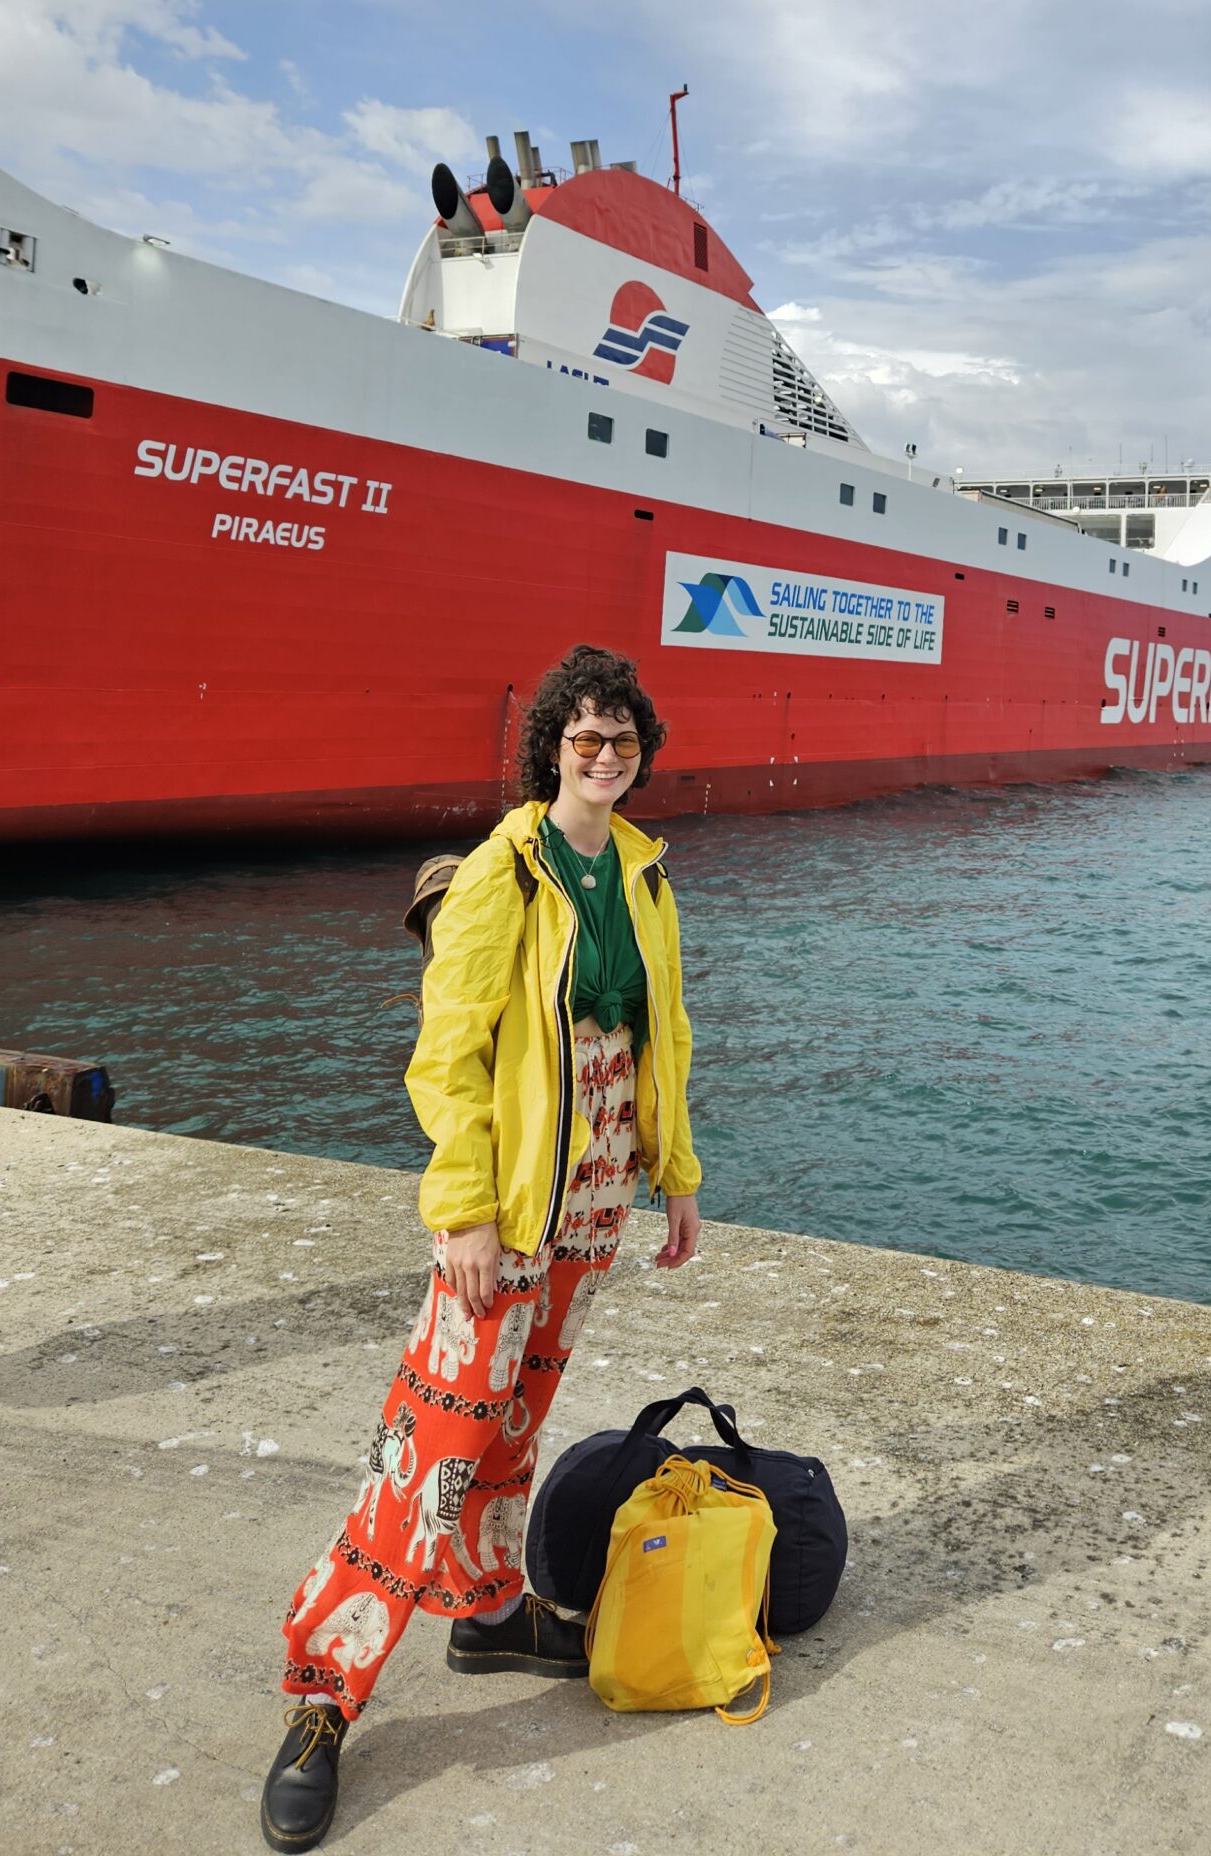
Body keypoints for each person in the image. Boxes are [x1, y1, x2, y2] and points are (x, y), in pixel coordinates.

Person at [261, 643, 701, 1851]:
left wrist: (679, 1177)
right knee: (432, 1447)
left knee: (515, 1421)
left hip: (598, 1196)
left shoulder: (648, 874)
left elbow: (664, 1037)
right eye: (584, 740)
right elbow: (447, 1056)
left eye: (623, 741)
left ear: (641, 755)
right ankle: (321, 1693)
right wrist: (458, 1210)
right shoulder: (506, 872)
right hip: (506, 1210)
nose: (605, 759)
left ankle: (490, 1607)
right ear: (550, 748)